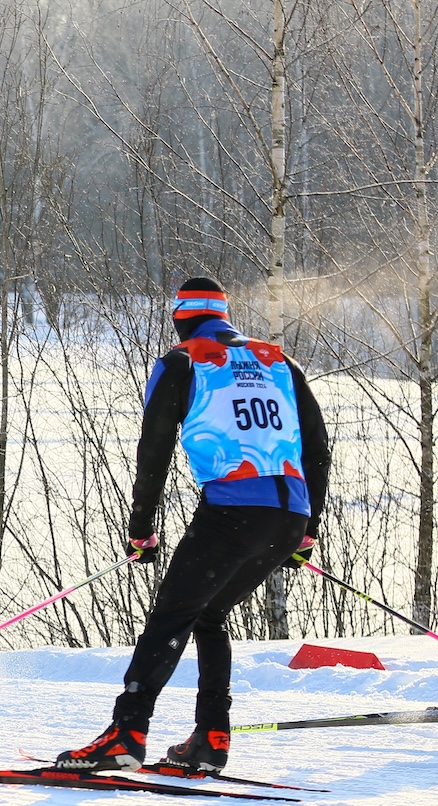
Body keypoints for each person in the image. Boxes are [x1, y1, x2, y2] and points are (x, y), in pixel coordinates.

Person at [56, 278, 331, 774]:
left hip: (233, 514)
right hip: (288, 516)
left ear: (181, 319)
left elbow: (154, 450)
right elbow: (317, 450)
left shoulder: (182, 362)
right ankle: (210, 736)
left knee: (169, 617)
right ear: (225, 315)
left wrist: (142, 528)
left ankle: (126, 732)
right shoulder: (279, 362)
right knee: (207, 615)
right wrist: (307, 530)